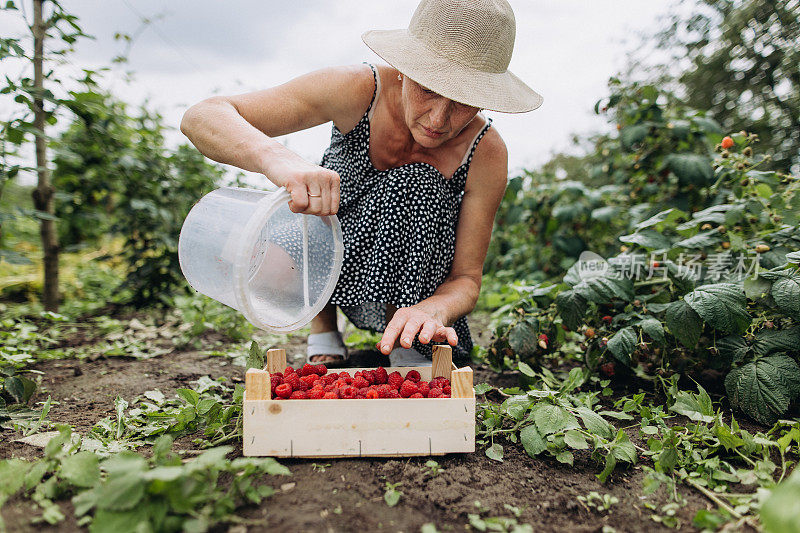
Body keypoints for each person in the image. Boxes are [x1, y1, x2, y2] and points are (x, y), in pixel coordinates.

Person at [180, 0, 543, 367]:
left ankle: (404, 337)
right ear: (404, 69)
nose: (439, 118)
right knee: (280, 249)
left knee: (417, 182)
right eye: (429, 89)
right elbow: (202, 117)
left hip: (418, 278)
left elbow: (466, 277)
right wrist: (280, 160)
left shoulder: (486, 152)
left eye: (464, 102)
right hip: (328, 245)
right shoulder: (357, 89)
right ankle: (323, 328)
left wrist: (436, 308)